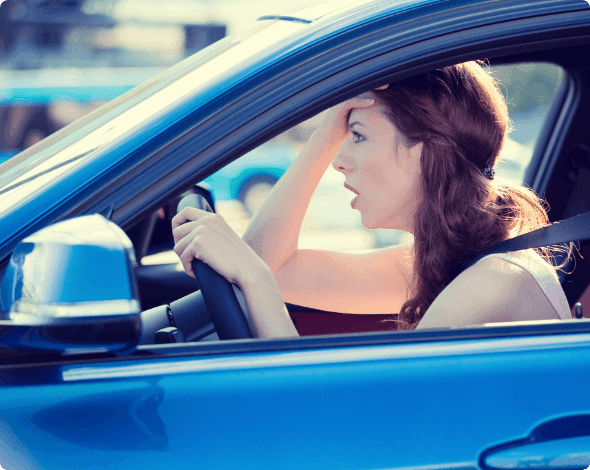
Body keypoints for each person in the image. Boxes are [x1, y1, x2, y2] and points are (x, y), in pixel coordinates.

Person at [172, 61, 572, 339]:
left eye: (358, 135)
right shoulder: (442, 263)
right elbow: (269, 266)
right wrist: (323, 138)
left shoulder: (493, 281)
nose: (339, 161)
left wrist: (254, 278)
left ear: (425, 151)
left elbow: (338, 424)